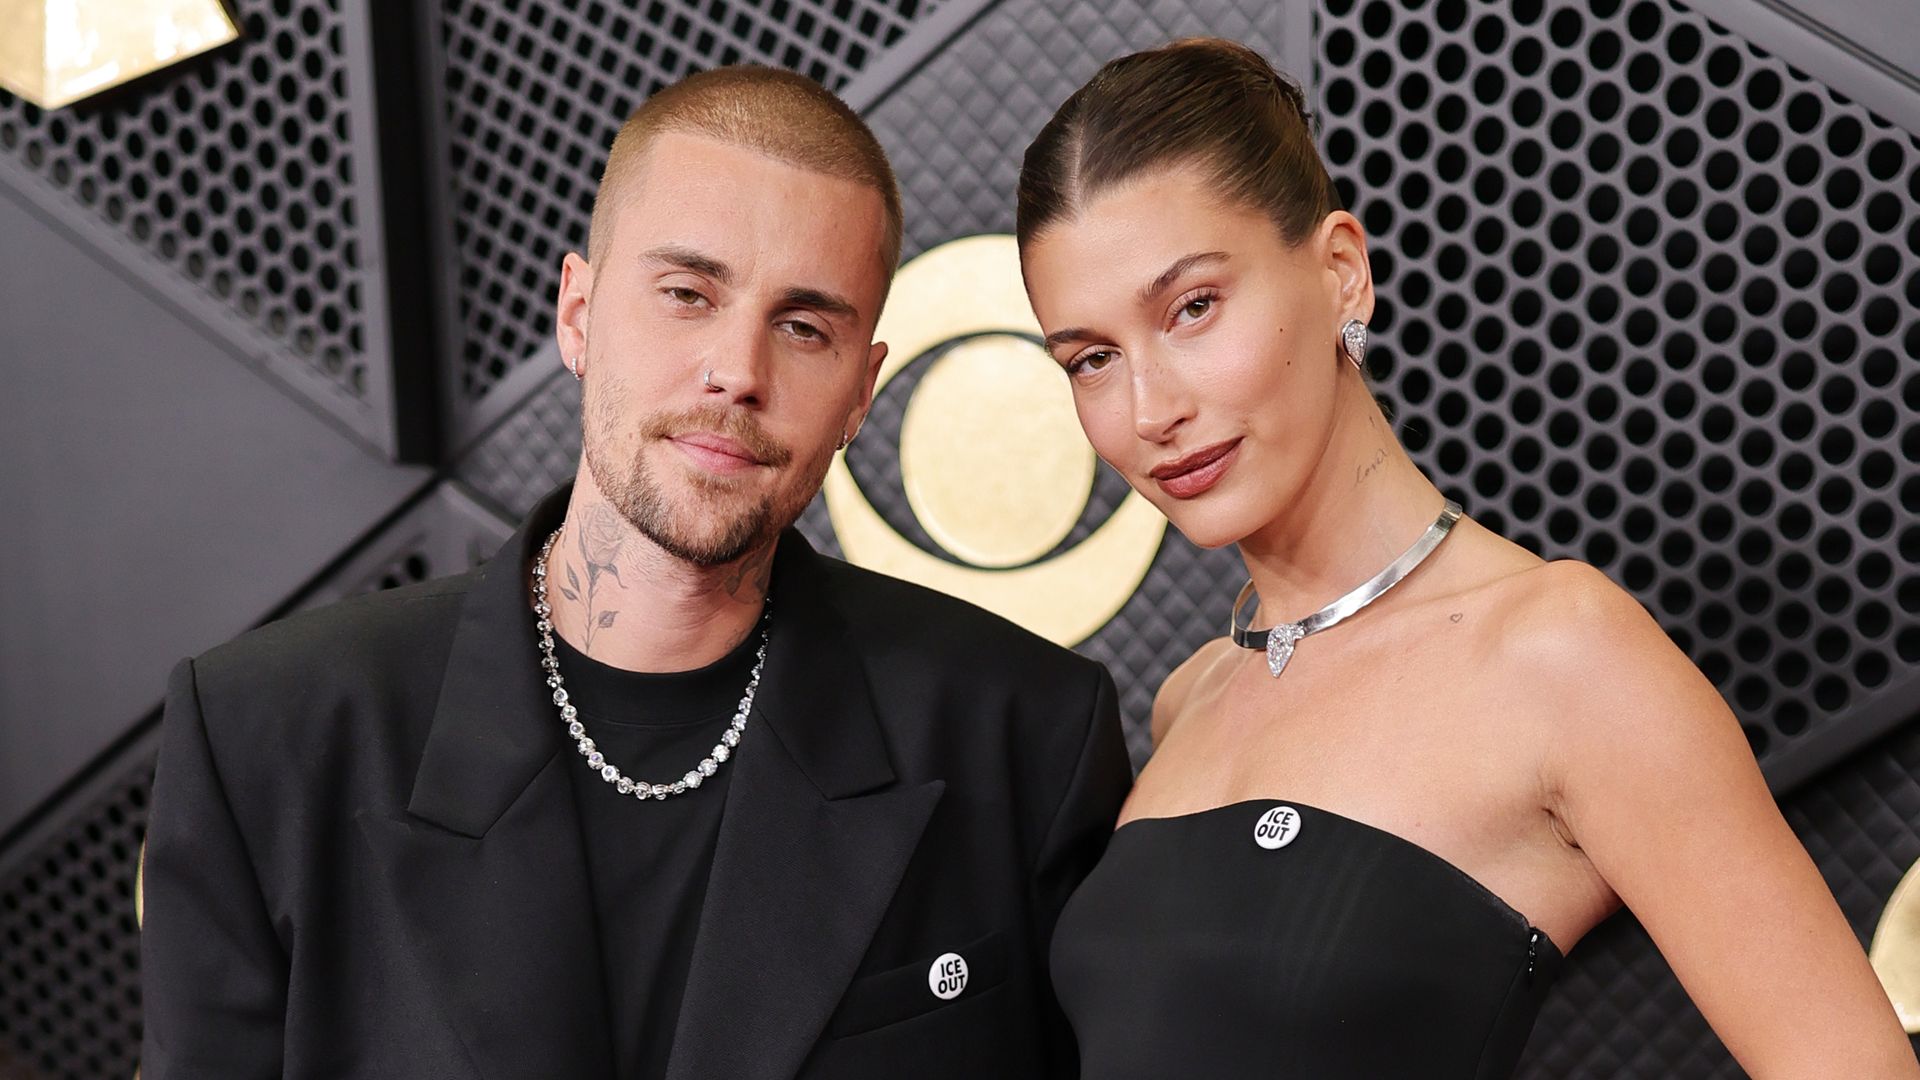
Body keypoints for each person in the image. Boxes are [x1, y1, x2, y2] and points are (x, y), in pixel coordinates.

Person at [140, 64, 1130, 1080]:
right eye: (687, 294)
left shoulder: (1023, 738)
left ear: (861, 394)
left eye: (803, 327)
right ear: (578, 314)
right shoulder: (270, 735)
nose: (738, 371)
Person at [1015, 37, 1918, 1079]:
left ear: (1341, 274)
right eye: (1092, 359)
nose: (1150, 409)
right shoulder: (1193, 697)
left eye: (1193, 308)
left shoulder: (1561, 654)